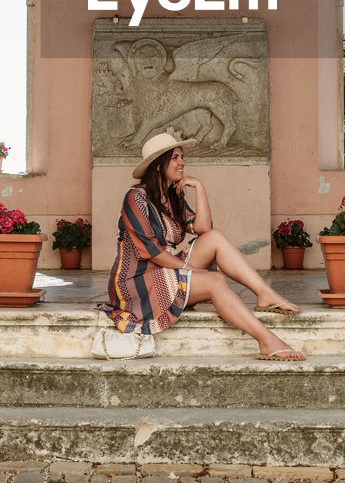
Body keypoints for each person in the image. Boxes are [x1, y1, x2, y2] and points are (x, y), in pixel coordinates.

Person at [99, 132, 304, 361]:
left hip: (164, 270)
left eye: (182, 157)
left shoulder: (171, 197)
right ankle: (266, 341)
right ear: (158, 165)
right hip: (137, 283)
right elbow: (152, 251)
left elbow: (204, 229)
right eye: (175, 157)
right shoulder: (135, 198)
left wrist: (199, 187)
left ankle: (265, 294)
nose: (182, 162)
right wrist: (191, 272)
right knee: (214, 282)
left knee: (215, 237)